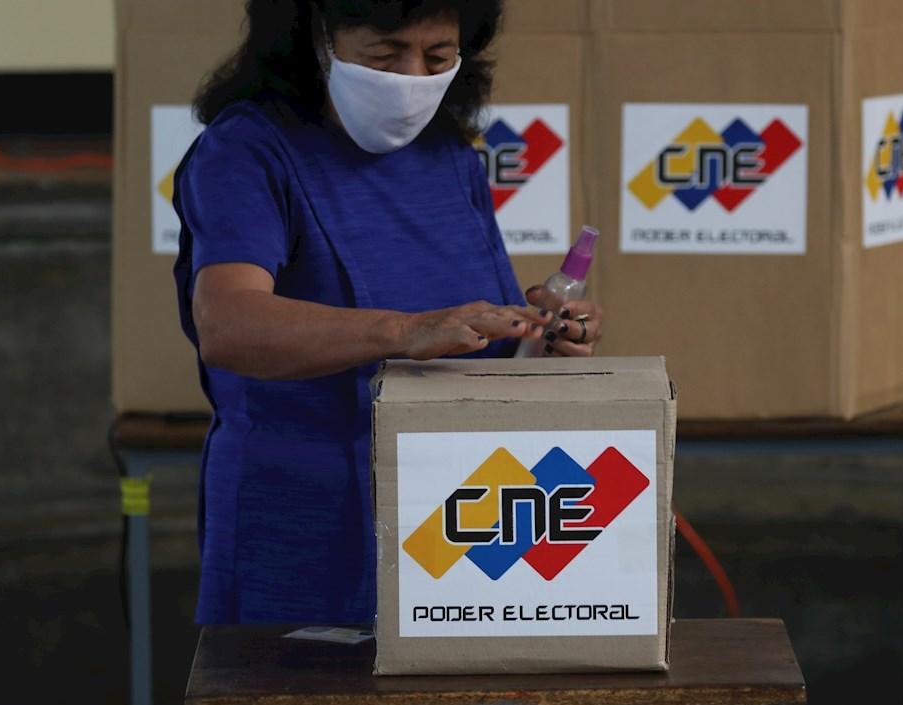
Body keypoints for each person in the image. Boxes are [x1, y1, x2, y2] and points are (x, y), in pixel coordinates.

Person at [172, 0, 604, 624]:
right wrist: (405, 330)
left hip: (460, 515)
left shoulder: (450, 156)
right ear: (318, 36)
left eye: (438, 57)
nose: (411, 79)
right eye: (385, 56)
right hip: (305, 522)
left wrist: (544, 338)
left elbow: (485, 341)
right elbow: (227, 324)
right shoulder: (247, 150)